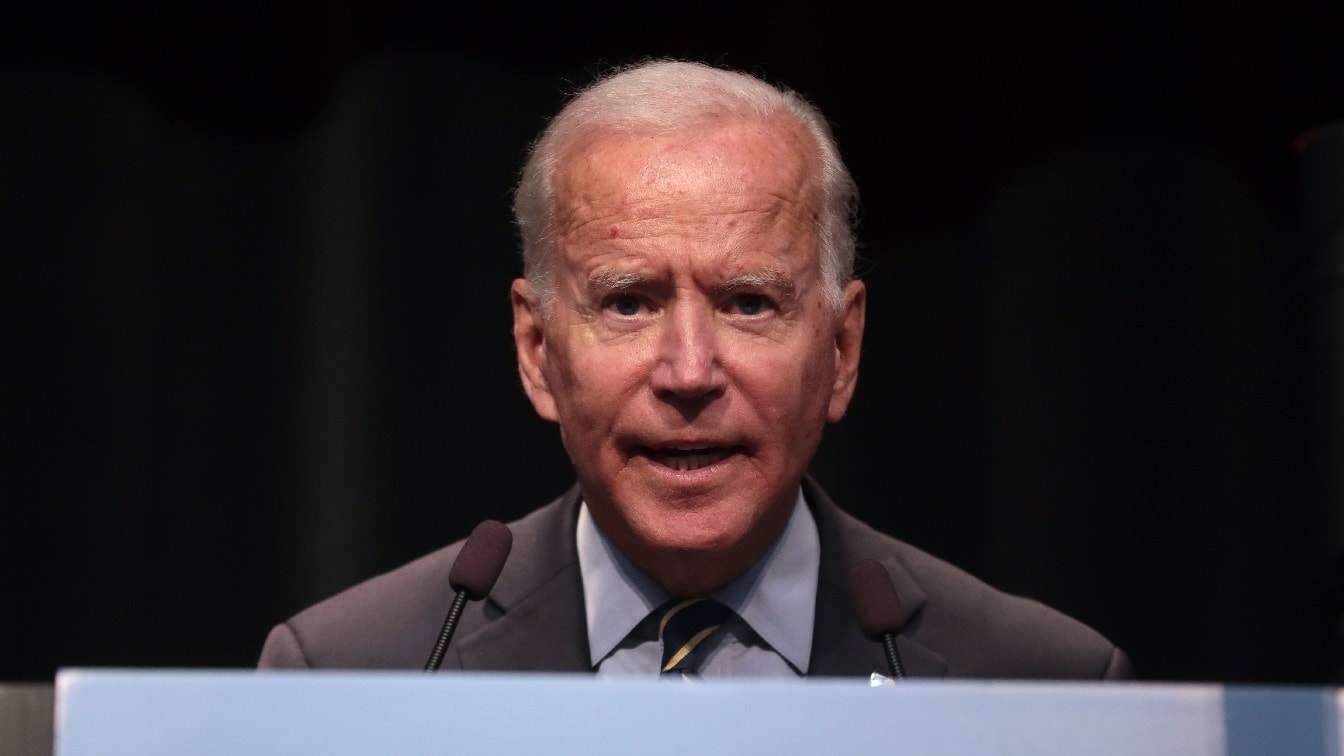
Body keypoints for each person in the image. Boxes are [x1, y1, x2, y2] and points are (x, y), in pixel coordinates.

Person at [258, 60, 1132, 679]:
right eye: (629, 301)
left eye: (750, 303)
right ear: (537, 351)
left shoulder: (1041, 690)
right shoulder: (355, 673)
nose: (687, 371)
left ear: (841, 350)